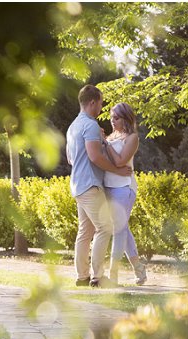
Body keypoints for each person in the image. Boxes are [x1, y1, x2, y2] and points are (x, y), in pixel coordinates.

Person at [66, 85, 131, 287]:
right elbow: (94, 157)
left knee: (85, 232)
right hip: (91, 185)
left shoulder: (73, 126)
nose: (102, 107)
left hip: (77, 185)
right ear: (92, 102)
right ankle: (97, 277)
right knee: (105, 227)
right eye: (101, 103)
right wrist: (117, 170)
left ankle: (82, 277)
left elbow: (70, 159)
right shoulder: (91, 125)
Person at [102, 102, 148, 285]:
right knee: (123, 228)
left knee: (119, 229)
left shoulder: (132, 138)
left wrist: (105, 143)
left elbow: (121, 161)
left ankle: (113, 275)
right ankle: (139, 269)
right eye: (112, 117)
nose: (113, 121)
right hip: (107, 188)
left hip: (124, 188)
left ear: (126, 118)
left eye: (117, 118)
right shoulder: (111, 136)